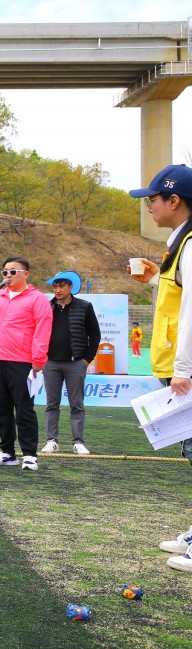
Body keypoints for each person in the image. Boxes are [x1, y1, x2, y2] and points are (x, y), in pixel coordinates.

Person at [127, 165, 192, 570]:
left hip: (188, 370)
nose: (148, 205)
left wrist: (184, 367)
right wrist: (156, 280)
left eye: (152, 198)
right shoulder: (180, 244)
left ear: (174, 201)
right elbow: (178, 297)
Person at [0, 257, 52, 471]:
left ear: (26, 274)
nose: (8, 276)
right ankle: (7, 452)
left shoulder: (37, 299)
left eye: (13, 272)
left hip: (21, 361)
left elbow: (43, 330)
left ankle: (29, 455)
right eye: (5, 273)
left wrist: (38, 360)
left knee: (24, 409)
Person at [40, 270, 100, 456]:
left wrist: (86, 360)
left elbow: (95, 334)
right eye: (55, 286)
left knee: (77, 403)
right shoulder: (46, 307)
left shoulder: (84, 306)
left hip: (76, 363)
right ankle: (51, 441)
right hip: (50, 362)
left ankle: (78, 442)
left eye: (62, 286)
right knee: (52, 403)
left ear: (70, 287)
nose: (57, 290)